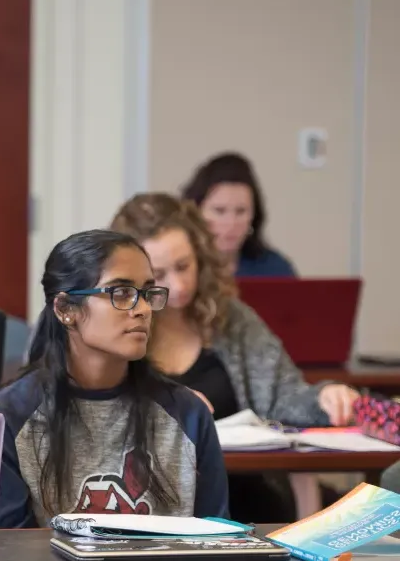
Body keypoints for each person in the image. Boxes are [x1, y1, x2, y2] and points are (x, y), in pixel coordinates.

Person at [0, 229, 238, 561]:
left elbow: (217, 543)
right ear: (66, 309)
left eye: (146, 292)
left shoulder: (188, 414)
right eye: (120, 293)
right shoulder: (6, 419)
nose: (141, 308)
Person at [110, 193, 361, 523]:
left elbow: (285, 398)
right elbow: (87, 415)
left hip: (246, 499)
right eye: (158, 275)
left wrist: (326, 396)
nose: (180, 285)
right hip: (145, 505)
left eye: (185, 266)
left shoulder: (232, 320)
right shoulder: (113, 324)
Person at [182, 152, 296, 278]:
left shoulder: (276, 269)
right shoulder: (178, 268)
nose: (231, 223)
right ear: (196, 213)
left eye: (241, 211)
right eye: (219, 211)